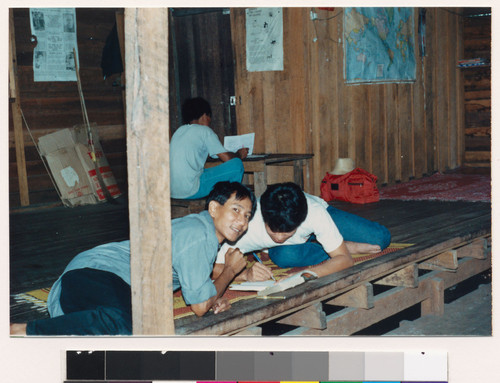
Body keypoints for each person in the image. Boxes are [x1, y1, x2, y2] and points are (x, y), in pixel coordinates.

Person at [10, 182, 256, 336]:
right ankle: (25, 331)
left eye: (247, 216)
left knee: (122, 331)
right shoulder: (198, 234)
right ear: (214, 208)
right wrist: (229, 273)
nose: (242, 222)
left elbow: (202, 290)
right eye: (236, 210)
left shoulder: (200, 230)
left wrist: (214, 295)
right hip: (96, 274)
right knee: (131, 326)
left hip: (93, 286)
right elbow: (200, 307)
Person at [213, 182, 391, 282]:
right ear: (263, 217)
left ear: (300, 221)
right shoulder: (245, 222)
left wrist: (305, 275)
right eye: (273, 232)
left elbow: (345, 260)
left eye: (287, 232)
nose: (280, 238)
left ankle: (335, 243)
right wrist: (246, 275)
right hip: (291, 248)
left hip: (315, 225)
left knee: (379, 239)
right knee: (283, 256)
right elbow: (213, 268)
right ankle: (333, 245)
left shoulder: (314, 212)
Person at [170, 97, 248, 199]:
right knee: (237, 164)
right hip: (190, 190)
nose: (209, 121)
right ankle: (230, 201)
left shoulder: (179, 131)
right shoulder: (204, 130)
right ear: (204, 115)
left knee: (205, 171)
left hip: (172, 191)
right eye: (209, 117)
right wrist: (239, 154)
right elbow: (227, 159)